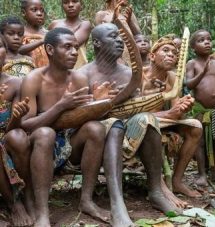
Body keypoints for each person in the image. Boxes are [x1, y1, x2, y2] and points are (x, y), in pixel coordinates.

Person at [20, 27, 128, 227]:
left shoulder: (78, 78)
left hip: (69, 145)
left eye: (76, 47)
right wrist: (62, 105)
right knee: (45, 133)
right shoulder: (34, 79)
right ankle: (42, 213)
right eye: (67, 47)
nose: (73, 52)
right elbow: (26, 125)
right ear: (50, 50)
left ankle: (86, 200)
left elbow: (80, 119)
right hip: (40, 147)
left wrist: (99, 102)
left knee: (96, 128)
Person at [77, 23, 182, 214]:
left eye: (120, 37)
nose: (119, 41)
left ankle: (156, 191)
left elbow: (134, 110)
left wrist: (146, 99)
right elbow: (77, 116)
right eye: (113, 37)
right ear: (97, 43)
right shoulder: (83, 74)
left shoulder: (129, 74)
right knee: (113, 126)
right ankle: (116, 203)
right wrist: (98, 101)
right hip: (95, 137)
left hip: (126, 133)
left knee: (147, 119)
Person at [141, 37, 203, 197]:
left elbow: (177, 112)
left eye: (175, 53)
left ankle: (177, 181)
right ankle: (158, 186)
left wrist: (184, 106)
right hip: (139, 120)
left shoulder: (173, 77)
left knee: (196, 127)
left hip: (163, 119)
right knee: (147, 121)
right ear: (152, 56)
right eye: (166, 51)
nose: (171, 55)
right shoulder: (139, 75)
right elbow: (133, 111)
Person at [185, 29, 215, 185]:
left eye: (208, 39)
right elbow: (189, 84)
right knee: (200, 142)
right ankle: (202, 175)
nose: (206, 42)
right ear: (193, 47)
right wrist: (203, 71)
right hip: (201, 109)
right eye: (201, 40)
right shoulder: (192, 63)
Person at [0, 34, 34, 226]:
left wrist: (16, 117)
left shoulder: (16, 83)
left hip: (6, 140)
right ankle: (14, 204)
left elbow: (12, 130)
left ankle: (26, 196)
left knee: (18, 136)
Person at [95, 0, 141, 66]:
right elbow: (99, 36)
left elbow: (138, 36)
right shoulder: (102, 15)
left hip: (130, 52)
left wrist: (129, 20)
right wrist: (113, 21)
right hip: (111, 54)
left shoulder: (128, 13)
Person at [48, 0, 92, 69]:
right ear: (62, 6)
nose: (70, 5)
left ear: (81, 5)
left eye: (74, 1)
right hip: (57, 71)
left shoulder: (85, 25)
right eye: (65, 2)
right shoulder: (54, 24)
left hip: (78, 70)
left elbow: (73, 44)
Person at [19, 0, 49, 68]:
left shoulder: (47, 33)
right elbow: (18, 50)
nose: (39, 13)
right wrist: (41, 41)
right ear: (24, 13)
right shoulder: (20, 33)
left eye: (42, 10)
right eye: (34, 10)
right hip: (28, 72)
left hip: (47, 73)